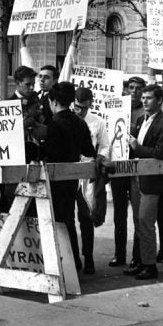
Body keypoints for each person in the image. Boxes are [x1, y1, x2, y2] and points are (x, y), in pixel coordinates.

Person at [40, 82, 97, 275]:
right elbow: (89, 151)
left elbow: (50, 153)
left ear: (53, 101)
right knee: (68, 219)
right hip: (72, 180)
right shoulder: (80, 122)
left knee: (59, 221)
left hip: (55, 181)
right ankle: (74, 261)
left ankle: (66, 264)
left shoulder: (54, 123)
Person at [123, 84, 163, 280]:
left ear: (160, 100)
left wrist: (137, 147)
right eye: (143, 97)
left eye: (149, 98)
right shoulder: (139, 119)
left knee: (146, 222)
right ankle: (142, 261)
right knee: (138, 221)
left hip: (152, 181)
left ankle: (150, 265)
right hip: (137, 178)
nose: (144, 100)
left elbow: (160, 153)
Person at [72, 87, 112, 275]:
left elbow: (105, 145)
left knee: (86, 216)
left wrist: (99, 158)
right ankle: (73, 256)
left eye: (84, 108)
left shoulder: (98, 122)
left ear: (90, 105)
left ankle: (88, 256)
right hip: (68, 172)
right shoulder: (67, 120)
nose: (80, 111)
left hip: (87, 174)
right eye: (77, 107)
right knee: (67, 217)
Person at [109, 75, 146, 268]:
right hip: (119, 165)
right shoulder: (117, 108)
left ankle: (137, 255)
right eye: (131, 88)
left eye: (138, 88)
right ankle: (119, 254)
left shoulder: (145, 111)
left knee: (138, 213)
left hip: (136, 166)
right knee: (119, 214)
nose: (134, 92)